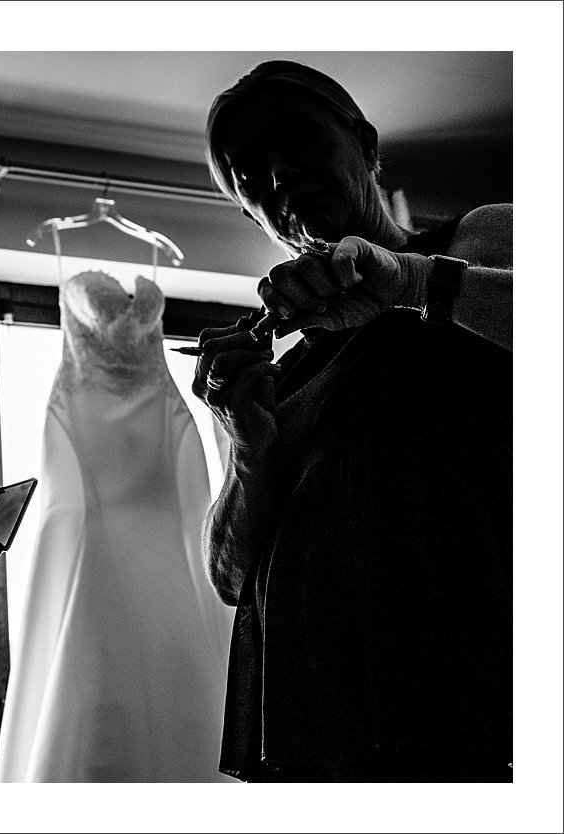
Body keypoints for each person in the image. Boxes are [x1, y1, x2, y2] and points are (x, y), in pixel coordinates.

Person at [194, 60, 513, 781]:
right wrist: (250, 447)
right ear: (249, 211)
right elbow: (229, 577)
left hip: (477, 696)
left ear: (366, 145)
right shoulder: (274, 374)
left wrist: (409, 282)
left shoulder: (479, 243)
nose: (278, 177)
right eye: (249, 173)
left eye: (299, 141)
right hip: (315, 727)